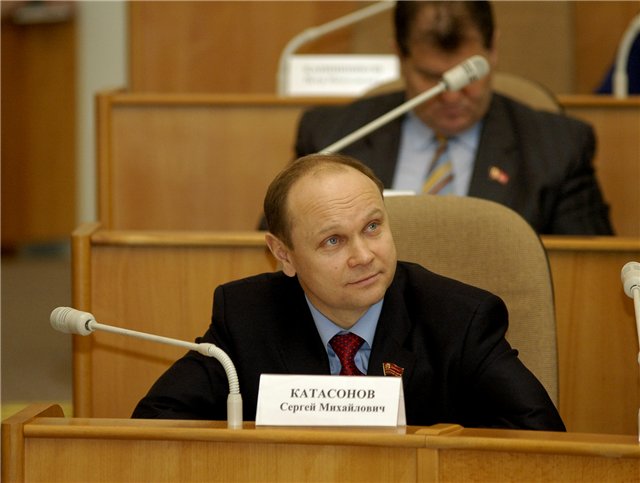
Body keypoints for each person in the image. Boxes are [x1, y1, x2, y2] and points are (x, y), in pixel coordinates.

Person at [133, 153, 565, 431]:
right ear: (283, 254)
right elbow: (155, 425)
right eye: (333, 241)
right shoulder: (247, 316)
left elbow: (542, 439)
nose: (363, 255)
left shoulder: (458, 319)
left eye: (372, 227)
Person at [294, 1, 614, 236]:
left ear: (493, 50)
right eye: (431, 77)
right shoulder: (332, 137)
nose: (451, 96)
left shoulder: (558, 149)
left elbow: (583, 270)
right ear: (400, 56)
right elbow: (285, 247)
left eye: (467, 74)